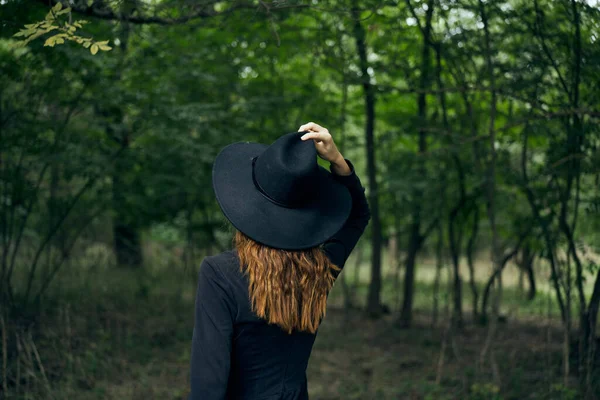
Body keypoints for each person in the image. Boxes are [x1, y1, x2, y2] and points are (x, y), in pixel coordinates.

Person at [189, 122, 371, 400]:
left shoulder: (220, 275)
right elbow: (358, 216)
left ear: (247, 205)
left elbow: (208, 385)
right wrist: (337, 161)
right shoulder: (318, 272)